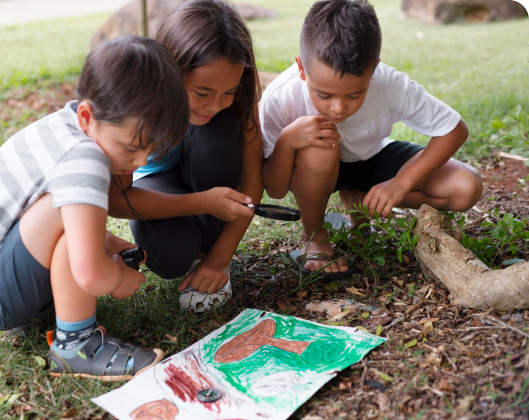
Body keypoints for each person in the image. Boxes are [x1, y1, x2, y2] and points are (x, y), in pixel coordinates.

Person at [0, 36, 189, 380]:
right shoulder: (84, 159)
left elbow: (60, 226)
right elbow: (89, 272)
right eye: (132, 147)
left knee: (70, 213)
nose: (141, 160)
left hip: (8, 270)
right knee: (68, 214)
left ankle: (50, 307)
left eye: (152, 149)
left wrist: (111, 246)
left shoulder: (68, 126)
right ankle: (77, 346)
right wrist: (117, 277)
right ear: (88, 115)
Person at [260, 0, 483, 279]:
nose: (338, 108)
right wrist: (287, 141)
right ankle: (314, 233)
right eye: (324, 95)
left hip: (371, 158)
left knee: (465, 187)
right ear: (301, 68)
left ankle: (360, 200)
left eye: (354, 95)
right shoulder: (280, 96)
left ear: (374, 68)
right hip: (311, 168)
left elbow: (454, 129)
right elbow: (275, 189)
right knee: (321, 144)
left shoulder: (390, 84)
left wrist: (401, 183)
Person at [108, 0, 263, 313]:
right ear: (170, 71)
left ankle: (209, 258)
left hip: (207, 165)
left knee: (217, 136)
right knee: (172, 255)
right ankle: (194, 256)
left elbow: (251, 182)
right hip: (156, 181)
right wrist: (202, 202)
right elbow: (117, 199)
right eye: (202, 93)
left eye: (228, 92)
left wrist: (220, 261)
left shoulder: (237, 101)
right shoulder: (137, 105)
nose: (214, 104)